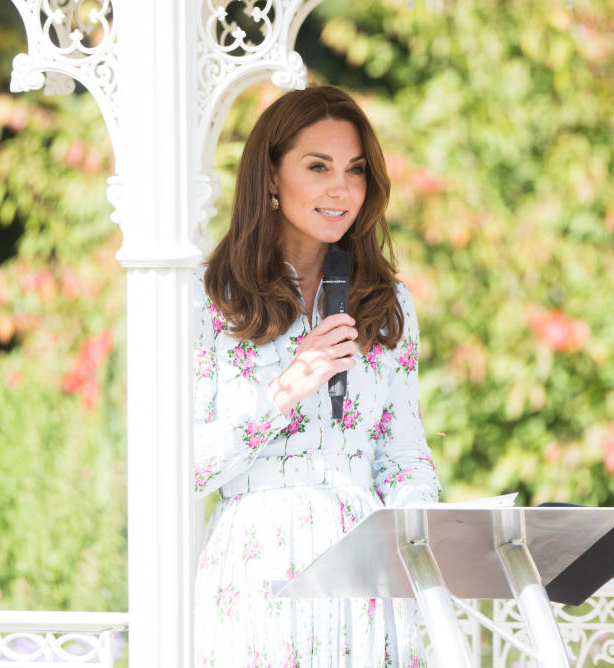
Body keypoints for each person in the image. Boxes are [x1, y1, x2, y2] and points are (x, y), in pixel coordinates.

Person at [193, 85, 440, 667]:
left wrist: (420, 527)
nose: (341, 189)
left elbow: (405, 455)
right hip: (256, 580)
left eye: (355, 170)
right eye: (317, 166)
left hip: (369, 581)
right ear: (271, 176)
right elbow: (183, 467)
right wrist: (284, 390)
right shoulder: (208, 299)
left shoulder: (388, 302)